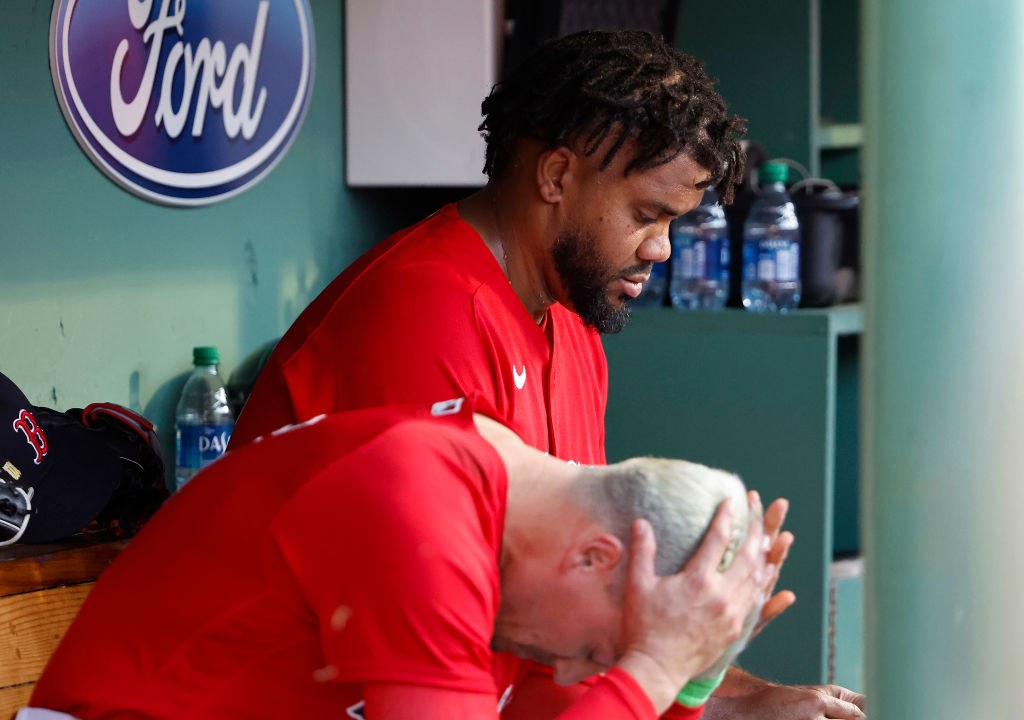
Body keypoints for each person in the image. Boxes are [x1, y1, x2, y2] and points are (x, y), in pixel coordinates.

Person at [229, 28, 865, 720]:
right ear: (557, 176)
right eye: (647, 215)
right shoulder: (422, 316)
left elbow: (564, 621)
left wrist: (722, 689)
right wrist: (685, 680)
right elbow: (447, 646)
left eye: (676, 223)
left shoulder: (570, 326)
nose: (661, 248)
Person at [29, 397, 774, 719]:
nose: (577, 673)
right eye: (595, 650)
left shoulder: (525, 541)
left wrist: (696, 668)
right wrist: (653, 669)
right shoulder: (421, 498)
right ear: (594, 558)